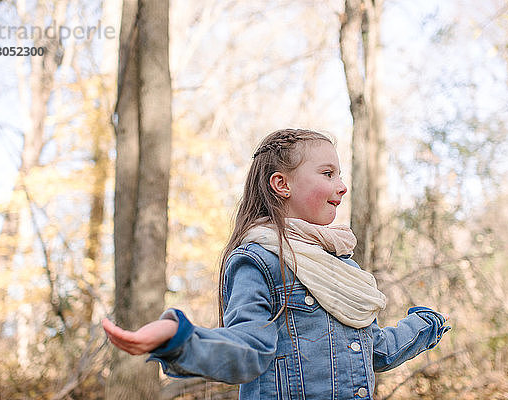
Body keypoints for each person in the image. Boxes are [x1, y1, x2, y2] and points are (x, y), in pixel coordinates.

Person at [103, 128, 451, 399]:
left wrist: (427, 324)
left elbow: (375, 350)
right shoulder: (259, 261)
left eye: (340, 175)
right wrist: (179, 338)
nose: (342, 186)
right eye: (328, 173)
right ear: (281, 184)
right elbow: (248, 350)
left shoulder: (343, 267)